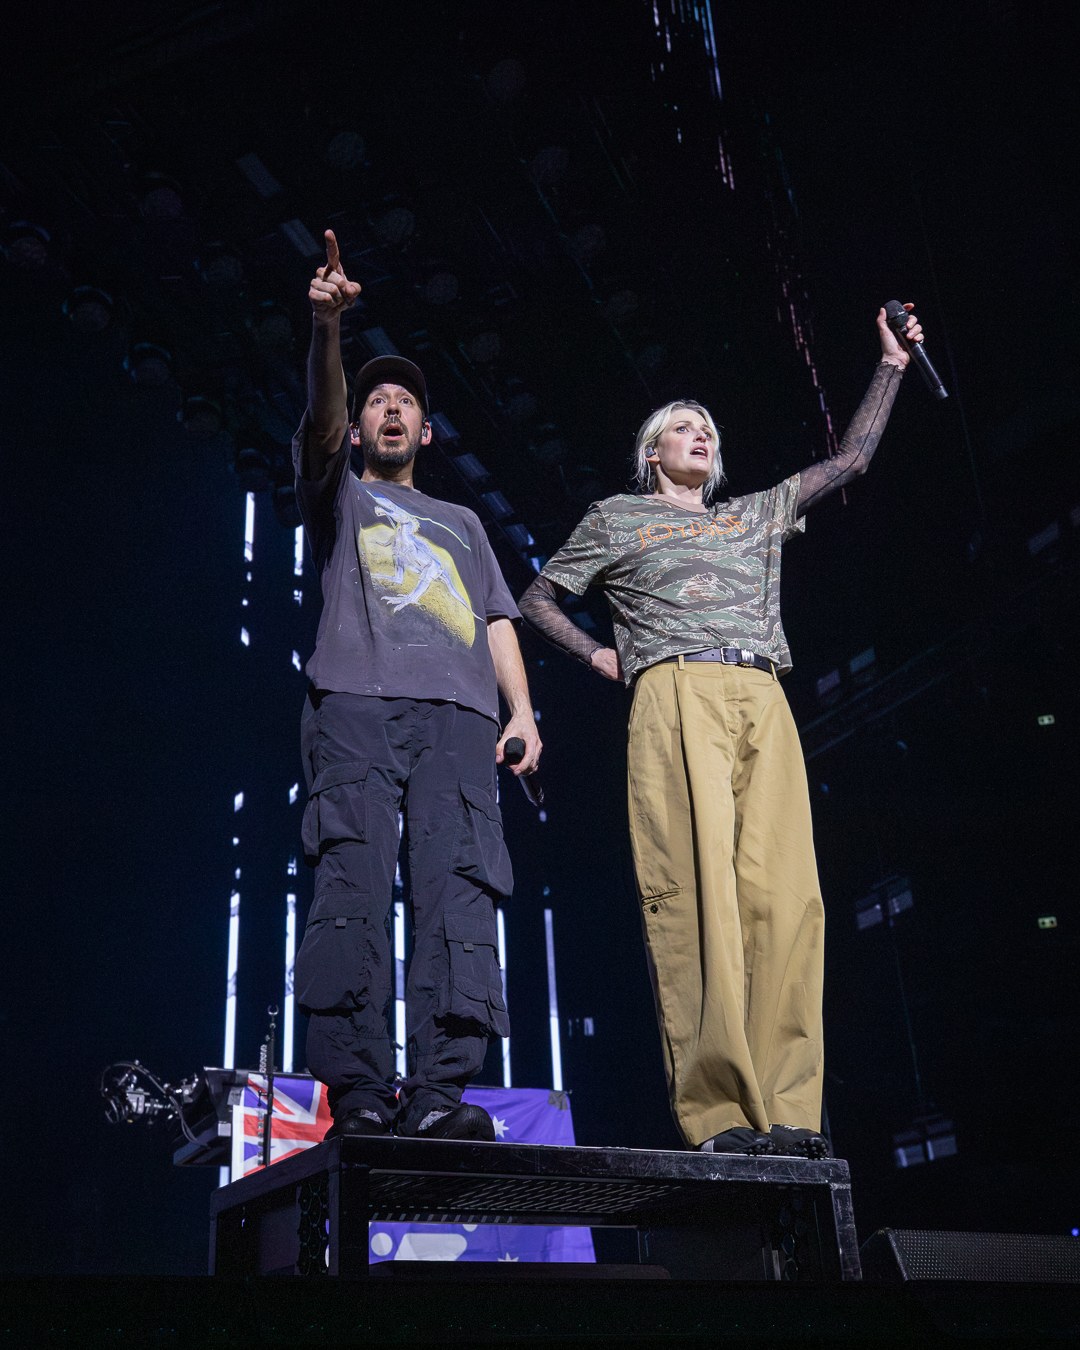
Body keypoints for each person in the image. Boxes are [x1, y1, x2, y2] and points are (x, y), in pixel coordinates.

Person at [519, 305, 922, 1157]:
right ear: (651, 453)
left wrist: (890, 363)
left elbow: (850, 460)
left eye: (707, 427)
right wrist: (597, 654)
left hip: (762, 692)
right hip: (676, 689)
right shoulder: (616, 518)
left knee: (787, 900)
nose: (699, 433)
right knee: (697, 893)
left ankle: (790, 1114)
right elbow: (537, 598)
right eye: (681, 426)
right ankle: (720, 1115)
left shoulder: (752, 515)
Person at [292, 229, 541, 1142]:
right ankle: (359, 1094)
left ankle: (438, 1094)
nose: (390, 410)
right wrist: (329, 330)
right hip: (354, 706)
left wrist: (523, 711)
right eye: (376, 402)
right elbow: (320, 420)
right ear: (361, 428)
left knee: (457, 890)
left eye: (405, 403)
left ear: (425, 432)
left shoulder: (463, 522)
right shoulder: (340, 492)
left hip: (460, 719)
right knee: (352, 884)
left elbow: (498, 617)